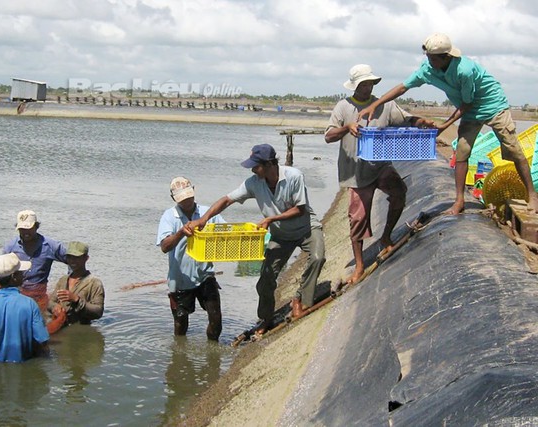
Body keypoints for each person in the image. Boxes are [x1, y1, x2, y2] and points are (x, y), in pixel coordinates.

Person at [358, 33, 538, 215]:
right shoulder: (427, 69)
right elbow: (403, 87)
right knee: (462, 152)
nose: (427, 61)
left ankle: (532, 195)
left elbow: (468, 102)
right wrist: (375, 104)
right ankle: (459, 200)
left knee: (513, 149)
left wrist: (445, 125)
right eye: (426, 56)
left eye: (431, 57)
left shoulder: (464, 70)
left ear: (445, 57)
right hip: (470, 110)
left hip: (492, 105)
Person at [185, 145, 326, 333]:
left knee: (318, 257)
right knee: (266, 279)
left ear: (269, 164)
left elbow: (300, 209)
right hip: (281, 235)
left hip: (306, 228)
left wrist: (271, 218)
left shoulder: (294, 176)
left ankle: (300, 298)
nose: (252, 170)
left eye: (255, 166)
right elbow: (227, 200)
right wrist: (203, 220)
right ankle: (266, 318)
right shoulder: (254, 183)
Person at [325, 64, 435, 285]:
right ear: (354, 86)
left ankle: (386, 235)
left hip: (381, 165)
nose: (367, 88)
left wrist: (420, 122)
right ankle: (359, 265)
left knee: (399, 192)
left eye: (369, 84)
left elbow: (406, 119)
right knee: (358, 219)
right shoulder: (343, 107)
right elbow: (328, 136)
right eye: (362, 84)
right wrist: (347, 127)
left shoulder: (385, 106)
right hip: (356, 172)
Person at [157, 177, 225, 340]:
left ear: (194, 191)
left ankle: (212, 350)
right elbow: (165, 247)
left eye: (189, 196)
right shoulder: (169, 217)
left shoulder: (207, 213)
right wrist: (181, 232)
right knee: (181, 324)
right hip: (180, 279)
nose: (187, 201)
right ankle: (180, 357)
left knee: (216, 320)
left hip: (205, 274)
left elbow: (224, 232)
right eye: (182, 199)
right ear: (174, 198)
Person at [0, 253, 50, 362]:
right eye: (20, 273)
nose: (23, 275)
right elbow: (43, 341)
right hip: (23, 365)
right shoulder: (29, 304)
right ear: (14, 277)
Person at [2, 210, 67, 294]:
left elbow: (73, 260)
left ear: (36, 226)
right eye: (22, 229)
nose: (25, 232)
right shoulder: (10, 248)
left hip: (39, 293)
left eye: (28, 229)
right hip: (16, 292)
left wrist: (68, 284)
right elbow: (2, 272)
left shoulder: (50, 246)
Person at [48, 241, 105, 326]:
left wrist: (77, 300)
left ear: (86, 258)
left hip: (82, 327)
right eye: (69, 257)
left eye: (76, 257)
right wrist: (55, 307)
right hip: (62, 325)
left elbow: (98, 311)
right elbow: (50, 302)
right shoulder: (63, 280)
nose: (72, 261)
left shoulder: (94, 283)